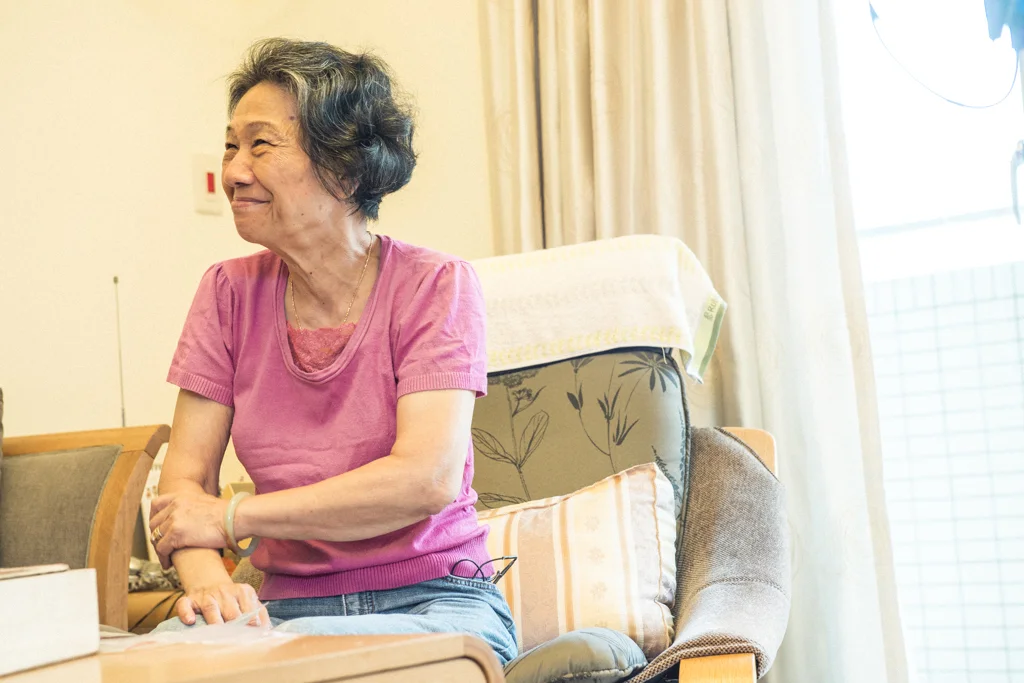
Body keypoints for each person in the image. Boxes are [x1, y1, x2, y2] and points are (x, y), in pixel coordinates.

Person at [147, 37, 516, 666]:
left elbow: (424, 479)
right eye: (231, 146)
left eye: (261, 145)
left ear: (346, 168)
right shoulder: (227, 293)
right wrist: (212, 590)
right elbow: (185, 488)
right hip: (284, 612)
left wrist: (233, 518)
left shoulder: (435, 285)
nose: (234, 171)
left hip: (435, 601)